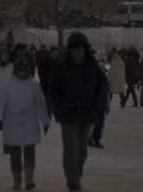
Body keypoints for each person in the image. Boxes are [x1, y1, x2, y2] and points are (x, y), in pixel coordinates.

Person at [48, 32, 108, 192]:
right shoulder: (62, 65)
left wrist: (98, 107)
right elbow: (53, 89)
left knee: (81, 149)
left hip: (87, 113)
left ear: (85, 49)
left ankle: (76, 176)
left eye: (81, 48)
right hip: (67, 114)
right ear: (70, 50)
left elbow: (101, 88)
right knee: (70, 147)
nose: (78, 51)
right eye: (75, 48)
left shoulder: (92, 66)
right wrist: (58, 107)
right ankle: (73, 181)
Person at [0, 54, 49, 192]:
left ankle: (29, 180)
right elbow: (0, 103)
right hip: (12, 123)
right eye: (20, 70)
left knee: (30, 152)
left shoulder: (34, 86)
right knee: (15, 154)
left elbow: (40, 104)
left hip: (30, 123)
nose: (23, 73)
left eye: (25, 70)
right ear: (16, 70)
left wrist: (45, 121)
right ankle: (17, 181)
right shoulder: (8, 86)